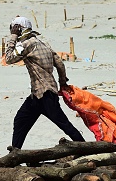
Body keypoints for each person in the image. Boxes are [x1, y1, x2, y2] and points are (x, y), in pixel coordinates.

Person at [5, 16, 85, 149]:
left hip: (45, 95)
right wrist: (62, 81)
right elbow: (59, 63)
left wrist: (13, 37)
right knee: (21, 121)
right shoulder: (43, 44)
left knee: (64, 124)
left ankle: (86, 149)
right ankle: (14, 153)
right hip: (38, 95)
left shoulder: (27, 45)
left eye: (14, 29)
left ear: (20, 30)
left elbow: (8, 58)